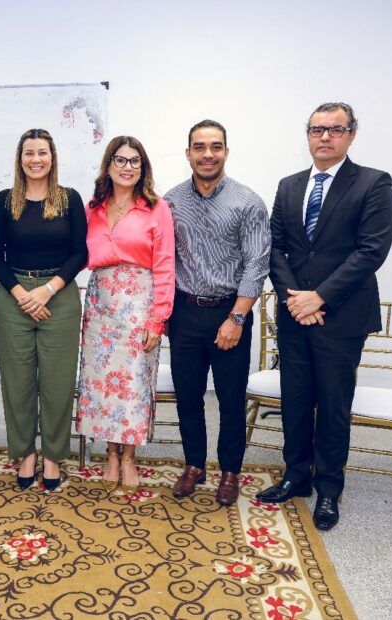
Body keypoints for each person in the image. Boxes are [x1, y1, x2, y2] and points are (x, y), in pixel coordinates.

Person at [255, 102, 392, 531]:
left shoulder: (372, 183)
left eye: (335, 129)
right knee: (295, 400)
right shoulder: (289, 185)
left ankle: (330, 489)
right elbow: (274, 247)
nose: (324, 137)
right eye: (317, 129)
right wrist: (296, 299)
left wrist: (320, 298)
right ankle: (297, 476)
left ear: (351, 134)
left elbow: (372, 250)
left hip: (342, 316)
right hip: (295, 313)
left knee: (334, 405)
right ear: (307, 135)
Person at [164, 120, 270, 506]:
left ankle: (230, 471)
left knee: (229, 398)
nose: (207, 154)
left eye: (216, 146)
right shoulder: (171, 201)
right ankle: (194, 465)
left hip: (230, 312)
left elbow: (256, 265)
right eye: (199, 146)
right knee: (187, 397)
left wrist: (237, 318)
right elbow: (164, 259)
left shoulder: (248, 202)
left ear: (226, 151)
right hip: (185, 313)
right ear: (188, 152)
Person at [0, 129, 88, 491]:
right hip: (13, 296)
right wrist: (21, 293)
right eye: (29, 153)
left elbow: (80, 253)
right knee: (18, 383)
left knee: (58, 384)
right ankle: (25, 453)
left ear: (52, 157)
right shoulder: (4, 200)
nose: (35, 159)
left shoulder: (69, 199)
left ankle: (52, 458)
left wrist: (46, 290)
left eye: (42, 153)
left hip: (58, 295)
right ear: (20, 158)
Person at [76, 136, 175, 495]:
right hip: (101, 303)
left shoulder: (156, 207)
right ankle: (110, 453)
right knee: (102, 383)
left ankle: (129, 455)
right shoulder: (93, 208)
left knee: (133, 383)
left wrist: (157, 318)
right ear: (108, 165)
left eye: (135, 161)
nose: (127, 166)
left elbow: (165, 265)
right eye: (120, 160)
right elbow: (79, 253)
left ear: (142, 168)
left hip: (139, 302)